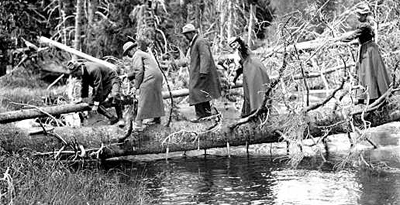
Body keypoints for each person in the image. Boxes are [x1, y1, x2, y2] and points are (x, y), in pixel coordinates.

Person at [339, 2, 391, 105]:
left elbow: (352, 36)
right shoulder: (364, 25)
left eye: (360, 14)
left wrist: (338, 40)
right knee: (365, 72)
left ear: (365, 15)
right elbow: (357, 35)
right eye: (357, 14)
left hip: (369, 50)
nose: (358, 16)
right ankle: (366, 96)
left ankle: (372, 97)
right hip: (368, 48)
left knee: (368, 72)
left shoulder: (364, 26)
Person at [181, 23, 222, 122]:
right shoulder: (195, 42)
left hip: (202, 74)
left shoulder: (200, 41)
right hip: (198, 73)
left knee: (197, 92)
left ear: (192, 33)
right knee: (202, 94)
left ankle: (201, 115)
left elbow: (205, 56)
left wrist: (203, 72)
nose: (186, 37)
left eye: (186, 34)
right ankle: (205, 115)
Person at [122, 41, 165, 131]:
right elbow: (141, 70)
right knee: (155, 97)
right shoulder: (142, 53)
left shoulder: (136, 55)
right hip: (157, 76)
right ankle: (156, 119)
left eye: (128, 53)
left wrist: (135, 87)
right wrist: (127, 76)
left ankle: (138, 125)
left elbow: (139, 71)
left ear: (131, 50)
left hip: (149, 77)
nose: (129, 55)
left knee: (143, 98)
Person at [67, 60, 125, 127]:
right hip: (103, 84)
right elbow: (84, 85)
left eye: (75, 74)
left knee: (115, 95)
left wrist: (96, 104)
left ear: (79, 69)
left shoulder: (93, 70)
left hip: (112, 79)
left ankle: (121, 118)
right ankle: (112, 118)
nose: (76, 76)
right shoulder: (83, 71)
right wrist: (83, 99)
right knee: (91, 103)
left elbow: (98, 87)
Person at [228, 37, 270, 118]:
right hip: (249, 69)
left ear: (239, 42)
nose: (234, 46)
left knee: (255, 89)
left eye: (234, 44)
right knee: (249, 91)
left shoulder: (244, 49)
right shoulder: (239, 52)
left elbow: (244, 48)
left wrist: (241, 44)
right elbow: (240, 69)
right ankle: (251, 111)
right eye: (232, 45)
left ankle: (258, 110)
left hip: (254, 69)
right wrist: (234, 80)